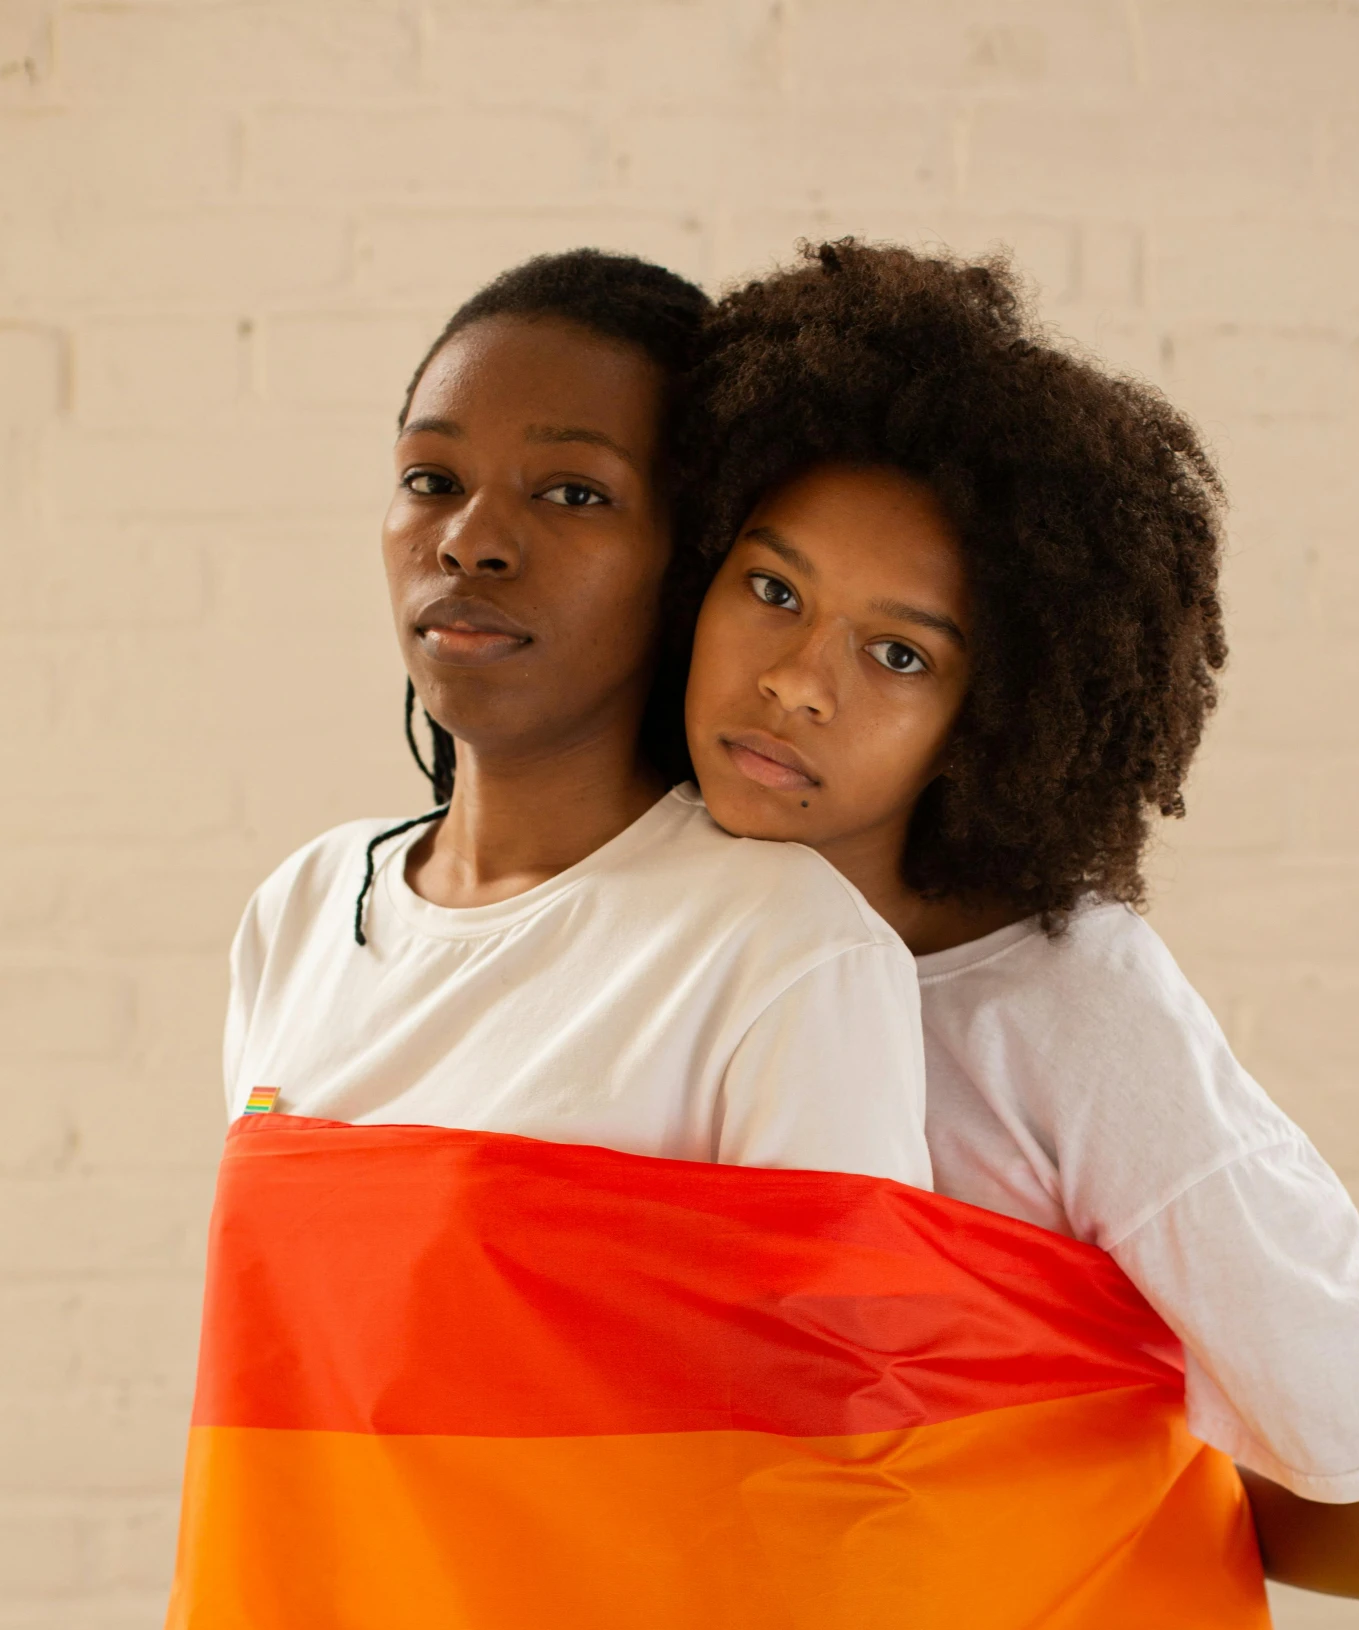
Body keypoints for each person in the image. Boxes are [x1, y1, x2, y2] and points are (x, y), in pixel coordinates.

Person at [681, 238, 1359, 1606]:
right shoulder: (638, 911)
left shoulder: (1077, 1023)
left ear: (992, 715)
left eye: (897, 654)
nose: (795, 683)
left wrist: (1040, 1513)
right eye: (771, 590)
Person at [224, 247, 931, 1185]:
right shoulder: (304, 910)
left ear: (687, 559)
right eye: (431, 480)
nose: (470, 542)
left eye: (573, 494)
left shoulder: (782, 949)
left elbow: (843, 1334)